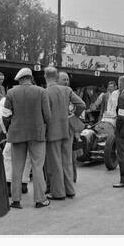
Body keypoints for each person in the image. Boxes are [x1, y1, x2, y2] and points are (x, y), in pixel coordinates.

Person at [2, 67, 52, 209]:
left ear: (20, 79)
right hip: (37, 134)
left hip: (17, 134)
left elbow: (5, 115)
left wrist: (9, 130)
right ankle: (40, 200)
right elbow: (47, 115)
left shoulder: (11, 92)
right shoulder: (41, 91)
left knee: (17, 167)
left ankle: (16, 201)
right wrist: (45, 129)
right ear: (30, 78)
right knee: (37, 166)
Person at [44, 67, 86, 201]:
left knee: (54, 163)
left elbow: (43, 114)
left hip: (52, 132)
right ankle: (70, 190)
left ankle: (58, 193)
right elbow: (82, 104)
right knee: (67, 161)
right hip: (67, 131)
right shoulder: (67, 90)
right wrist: (74, 116)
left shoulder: (44, 92)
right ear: (56, 76)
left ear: (46, 76)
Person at [0, 94, 32, 197]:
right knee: (27, 156)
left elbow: (1, 118)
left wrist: (7, 133)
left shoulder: (0, 103)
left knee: (7, 156)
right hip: (29, 131)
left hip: (14, 132)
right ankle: (24, 184)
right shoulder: (25, 98)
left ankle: (8, 185)